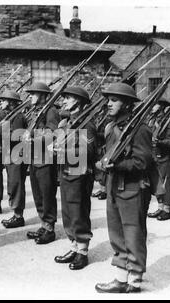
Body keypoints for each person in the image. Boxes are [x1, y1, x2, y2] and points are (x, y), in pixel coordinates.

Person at [95, 82, 152, 293]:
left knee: (133, 233)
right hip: (113, 186)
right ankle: (121, 277)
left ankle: (134, 279)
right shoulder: (111, 127)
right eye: (108, 99)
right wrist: (102, 162)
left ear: (127, 104)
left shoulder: (140, 129)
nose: (109, 104)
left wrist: (117, 165)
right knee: (117, 234)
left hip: (132, 188)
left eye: (114, 100)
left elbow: (143, 163)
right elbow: (108, 153)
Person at [53, 86, 96, 270]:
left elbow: (90, 151)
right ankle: (74, 246)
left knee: (79, 213)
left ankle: (83, 252)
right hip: (66, 172)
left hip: (80, 174)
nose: (64, 101)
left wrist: (63, 150)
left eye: (68, 98)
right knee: (68, 213)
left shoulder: (87, 123)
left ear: (78, 101)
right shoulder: (67, 122)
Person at [24, 82, 60, 244]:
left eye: (34, 93)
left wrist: (33, 139)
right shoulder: (36, 111)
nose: (30, 96)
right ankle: (43, 224)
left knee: (47, 194)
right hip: (34, 158)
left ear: (44, 96)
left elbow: (52, 133)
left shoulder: (51, 111)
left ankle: (50, 229)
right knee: (38, 194)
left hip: (45, 159)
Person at [0, 90, 29, 228]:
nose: (1, 102)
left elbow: (16, 136)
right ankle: (16, 213)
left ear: (10, 102)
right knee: (12, 184)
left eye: (4, 100)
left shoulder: (18, 117)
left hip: (17, 155)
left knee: (16, 185)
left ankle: (18, 216)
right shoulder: (9, 116)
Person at [147, 98, 170, 221]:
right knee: (157, 183)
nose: (152, 107)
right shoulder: (151, 120)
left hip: (164, 156)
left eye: (155, 105)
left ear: (161, 107)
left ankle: (167, 209)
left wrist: (159, 142)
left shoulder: (168, 122)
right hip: (153, 156)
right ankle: (160, 207)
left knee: (166, 183)